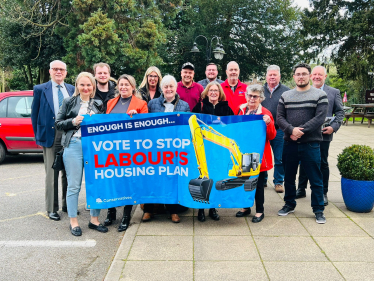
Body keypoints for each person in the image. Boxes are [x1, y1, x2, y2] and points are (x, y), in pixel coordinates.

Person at [55, 72, 108, 236]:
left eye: (89, 85)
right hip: (74, 145)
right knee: (74, 186)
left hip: (94, 147)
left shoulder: (98, 103)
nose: (85, 88)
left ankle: (94, 220)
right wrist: (73, 121)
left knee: (95, 183)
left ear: (93, 86)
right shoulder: (68, 102)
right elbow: (58, 124)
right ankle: (73, 222)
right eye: (82, 84)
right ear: (77, 85)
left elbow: (105, 125)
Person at [277, 63, 328, 224]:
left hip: (311, 144)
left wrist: (301, 131)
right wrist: (291, 130)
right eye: (298, 74)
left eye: (304, 74)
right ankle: (289, 203)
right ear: (294, 77)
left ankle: (318, 209)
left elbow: (320, 118)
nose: (301, 76)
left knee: (315, 178)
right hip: (289, 144)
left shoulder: (320, 95)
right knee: (289, 177)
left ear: (310, 76)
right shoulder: (285, 96)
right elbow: (279, 118)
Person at [31, 60, 75, 221]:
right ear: (50, 71)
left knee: (68, 171)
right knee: (52, 173)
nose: (59, 72)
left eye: (62, 69)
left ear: (66, 72)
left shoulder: (71, 89)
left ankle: (66, 205)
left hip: (69, 132)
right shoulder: (40, 89)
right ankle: (52, 208)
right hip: (51, 134)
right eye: (55, 69)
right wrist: (38, 135)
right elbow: (34, 115)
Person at [104, 74, 148, 231]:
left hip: (130, 150)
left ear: (133, 87)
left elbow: (145, 129)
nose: (123, 87)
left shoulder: (141, 104)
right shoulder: (110, 103)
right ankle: (111, 213)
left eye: (126, 85)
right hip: (112, 149)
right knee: (113, 180)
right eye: (121, 84)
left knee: (128, 181)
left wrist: (137, 120)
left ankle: (126, 215)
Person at [296, 66, 344, 205]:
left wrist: (333, 127)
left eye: (320, 75)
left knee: (322, 163)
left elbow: (340, 113)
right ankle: (301, 189)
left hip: (324, 134)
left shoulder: (334, 92)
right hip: (305, 133)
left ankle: (323, 193)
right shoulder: (303, 90)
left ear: (325, 76)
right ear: (311, 76)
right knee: (303, 161)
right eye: (314, 74)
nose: (317, 77)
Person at [146, 75, 190, 223]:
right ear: (162, 89)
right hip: (155, 148)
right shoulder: (152, 104)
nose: (169, 89)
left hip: (175, 149)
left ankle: (173, 211)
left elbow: (187, 128)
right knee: (153, 178)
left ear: (176, 88)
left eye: (171, 86)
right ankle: (148, 210)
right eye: (166, 87)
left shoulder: (184, 106)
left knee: (172, 178)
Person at [192, 81, 234, 222]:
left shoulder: (226, 108)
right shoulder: (200, 106)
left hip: (219, 150)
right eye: (211, 90)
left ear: (219, 92)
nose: (213, 93)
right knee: (203, 175)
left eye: (216, 90)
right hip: (204, 148)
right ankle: (201, 209)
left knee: (216, 177)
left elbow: (232, 126)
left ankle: (213, 208)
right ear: (207, 92)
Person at [235, 85, 276, 223]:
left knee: (258, 185)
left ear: (261, 98)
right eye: (250, 95)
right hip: (244, 153)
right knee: (245, 182)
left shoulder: (265, 113)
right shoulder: (241, 110)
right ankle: (246, 207)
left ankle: (259, 211)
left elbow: (272, 136)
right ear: (246, 96)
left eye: (255, 96)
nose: (252, 99)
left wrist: (269, 123)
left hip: (258, 155)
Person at [261, 65, 290, 193]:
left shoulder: (287, 91)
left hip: (279, 130)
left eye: (275, 75)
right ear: (266, 76)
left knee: (279, 157)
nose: (272, 77)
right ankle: (263, 179)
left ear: (279, 76)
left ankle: (278, 181)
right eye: (270, 75)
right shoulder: (260, 90)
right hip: (262, 129)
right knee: (263, 156)